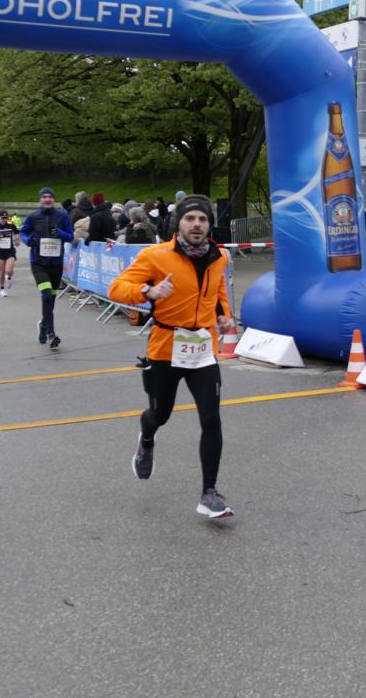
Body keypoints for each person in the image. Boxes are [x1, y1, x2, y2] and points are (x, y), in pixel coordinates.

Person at [107, 195, 236, 519]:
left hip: (202, 348)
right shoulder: (156, 256)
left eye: (203, 219)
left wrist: (223, 316)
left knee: (211, 418)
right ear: (179, 223)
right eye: (190, 218)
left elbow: (218, 293)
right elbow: (117, 288)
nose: (197, 224)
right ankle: (147, 437)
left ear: (209, 225)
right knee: (159, 414)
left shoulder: (219, 256)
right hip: (166, 348)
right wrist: (147, 292)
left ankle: (209, 493)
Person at [20, 187, 74, 350]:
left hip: (56, 265)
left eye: (50, 196)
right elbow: (23, 232)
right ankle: (51, 334)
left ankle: (43, 325)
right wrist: (29, 241)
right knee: (46, 295)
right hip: (38, 263)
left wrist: (60, 233)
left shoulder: (62, 216)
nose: (47, 199)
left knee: (51, 299)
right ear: (40, 200)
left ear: (54, 199)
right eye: (44, 197)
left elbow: (70, 236)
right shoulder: (33, 216)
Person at [0, 210, 19, 296]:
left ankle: (8, 278)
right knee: (1, 271)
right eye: (3, 218)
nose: (4, 219)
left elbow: (17, 234)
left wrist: (17, 240)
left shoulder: (11, 226)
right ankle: (2, 289)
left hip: (10, 250)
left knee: (9, 270)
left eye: (6, 218)